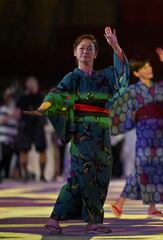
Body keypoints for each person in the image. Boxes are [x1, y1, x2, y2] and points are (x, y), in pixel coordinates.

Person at [26, 27, 129, 234]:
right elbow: (56, 96)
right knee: (80, 176)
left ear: (96, 53)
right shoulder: (72, 78)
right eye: (82, 48)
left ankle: (93, 221)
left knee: (101, 177)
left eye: (90, 49)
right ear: (75, 53)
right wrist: (43, 108)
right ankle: (55, 218)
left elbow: (122, 75)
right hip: (83, 135)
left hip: (102, 136)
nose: (85, 52)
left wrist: (115, 47)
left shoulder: (104, 78)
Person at [110, 48, 163, 218]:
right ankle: (120, 201)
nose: (150, 69)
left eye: (149, 66)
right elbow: (122, 111)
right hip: (145, 131)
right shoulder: (132, 91)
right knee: (142, 167)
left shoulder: (161, 87)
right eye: (145, 67)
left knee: (159, 168)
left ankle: (152, 208)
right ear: (137, 72)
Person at [16, 77, 47, 181]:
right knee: (25, 151)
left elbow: (17, 114)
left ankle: (39, 175)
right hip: (28, 127)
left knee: (40, 150)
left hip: (35, 126)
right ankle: (27, 175)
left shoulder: (38, 97)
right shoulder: (25, 98)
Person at [0, 88, 19, 180]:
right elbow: (1, 121)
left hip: (13, 138)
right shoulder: (3, 108)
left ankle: (7, 176)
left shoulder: (15, 110)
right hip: (4, 138)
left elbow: (18, 120)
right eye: (8, 97)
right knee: (4, 157)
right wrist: (11, 114)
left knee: (10, 158)